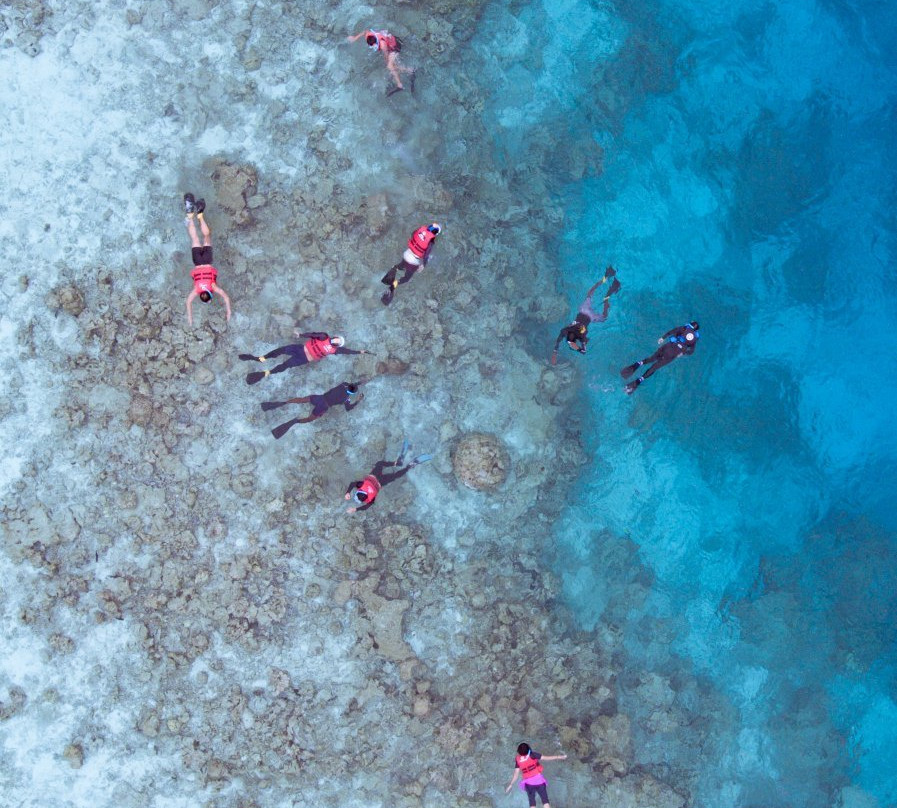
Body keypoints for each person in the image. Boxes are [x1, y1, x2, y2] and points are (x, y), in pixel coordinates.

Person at [239, 332, 369, 385]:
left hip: (305, 358)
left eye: (337, 341)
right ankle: (262, 358)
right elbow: (312, 334)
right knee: (281, 350)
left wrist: (359, 352)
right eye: (336, 338)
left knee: (285, 366)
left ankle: (266, 373)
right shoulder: (324, 336)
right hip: (301, 349)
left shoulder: (336, 350)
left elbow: (347, 352)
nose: (335, 340)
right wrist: (300, 334)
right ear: (334, 336)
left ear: (337, 344)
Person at [551, 266, 621, 364]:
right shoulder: (568, 332)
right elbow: (559, 341)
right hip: (584, 311)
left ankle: (607, 295)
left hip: (589, 316)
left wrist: (578, 348)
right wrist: (555, 352)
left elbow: (583, 351)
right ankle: (605, 279)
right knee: (590, 293)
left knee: (604, 315)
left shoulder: (580, 336)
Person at [344, 440, 432, 513]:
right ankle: (397, 463)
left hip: (381, 482)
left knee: (396, 475)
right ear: (359, 491)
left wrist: (355, 509)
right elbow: (352, 484)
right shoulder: (361, 485)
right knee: (380, 464)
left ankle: (409, 466)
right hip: (374, 476)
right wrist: (348, 492)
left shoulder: (371, 499)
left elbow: (365, 507)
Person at [183, 193, 231, 326]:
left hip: (207, 260)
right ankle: (190, 215)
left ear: (209, 293)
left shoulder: (213, 287)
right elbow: (188, 302)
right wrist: (190, 318)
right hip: (198, 261)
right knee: (194, 238)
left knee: (207, 237)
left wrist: (228, 312)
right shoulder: (197, 290)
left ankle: (200, 215)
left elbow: (226, 298)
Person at [261, 381, 365, 439]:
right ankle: (295, 421)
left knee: (302, 400)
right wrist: (358, 400)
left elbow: (352, 384)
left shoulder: (343, 384)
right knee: (309, 419)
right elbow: (348, 408)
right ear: (351, 394)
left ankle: (285, 402)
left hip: (319, 398)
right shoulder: (346, 399)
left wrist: (359, 382)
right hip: (324, 406)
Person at [620, 321, 700, 394]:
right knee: (655, 367)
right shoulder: (694, 339)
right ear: (695, 331)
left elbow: (672, 331)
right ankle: (638, 381)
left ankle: (637, 364)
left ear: (690, 325)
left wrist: (662, 338)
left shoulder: (684, 328)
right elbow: (691, 352)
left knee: (651, 359)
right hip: (673, 354)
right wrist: (682, 353)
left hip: (667, 347)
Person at [381, 223, 442, 305]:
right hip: (413, 261)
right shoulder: (430, 242)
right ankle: (392, 287)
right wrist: (424, 265)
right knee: (406, 279)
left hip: (407, 253)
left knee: (401, 266)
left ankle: (394, 269)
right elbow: (426, 255)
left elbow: (413, 234)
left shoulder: (420, 231)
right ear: (435, 234)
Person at [347, 28, 415, 96]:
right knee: (393, 67)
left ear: (376, 42)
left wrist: (388, 64)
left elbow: (386, 56)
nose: (373, 47)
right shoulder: (369, 35)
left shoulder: (383, 45)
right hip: (391, 41)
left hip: (395, 46)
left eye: (374, 45)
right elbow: (365, 31)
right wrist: (355, 38)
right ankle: (410, 70)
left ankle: (400, 85)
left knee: (390, 66)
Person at [505, 742, 567, 808]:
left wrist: (511, 784)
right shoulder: (533, 755)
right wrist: (559, 757)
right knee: (545, 802)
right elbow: (547, 758)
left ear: (519, 752)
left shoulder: (518, 760)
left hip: (529, 784)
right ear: (529, 749)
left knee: (532, 804)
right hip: (539, 781)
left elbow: (516, 774)